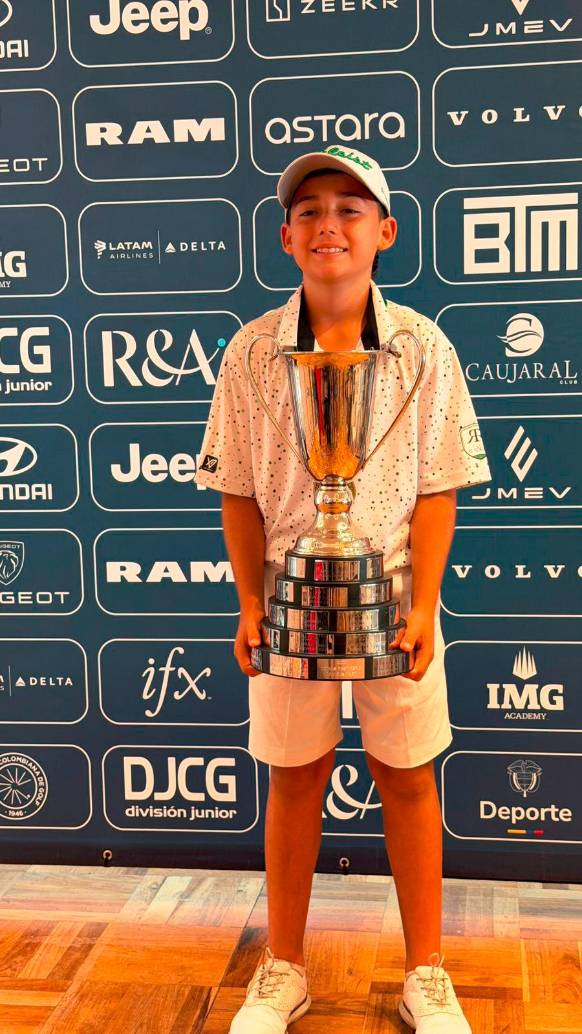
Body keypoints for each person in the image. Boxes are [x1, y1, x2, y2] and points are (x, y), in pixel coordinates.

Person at [194, 144, 491, 1033]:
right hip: (292, 595)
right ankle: (283, 967)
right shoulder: (250, 352)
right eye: (312, 211)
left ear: (386, 233)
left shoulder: (421, 349)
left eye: (351, 209)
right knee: (295, 778)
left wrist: (426, 606)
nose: (331, 224)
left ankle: (426, 971)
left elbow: (437, 488)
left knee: (406, 777)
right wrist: (252, 604)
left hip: (395, 598)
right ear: (286, 237)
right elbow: (237, 493)